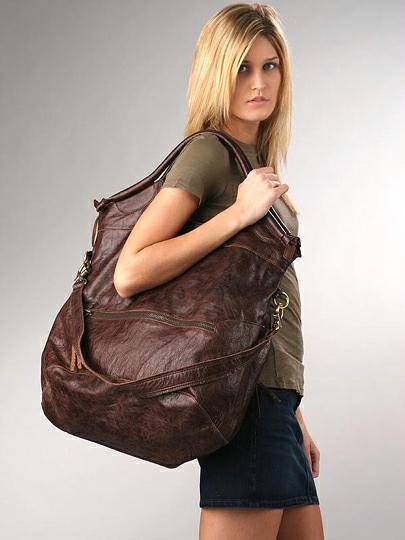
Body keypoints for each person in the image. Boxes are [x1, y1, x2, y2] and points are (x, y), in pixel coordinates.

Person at [114, 3, 324, 539]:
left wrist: (294, 414)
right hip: (246, 409)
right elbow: (130, 271)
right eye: (242, 68)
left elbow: (259, 304)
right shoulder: (209, 153)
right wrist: (237, 215)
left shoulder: (254, 161)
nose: (259, 82)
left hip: (273, 404)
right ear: (216, 72)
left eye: (270, 66)